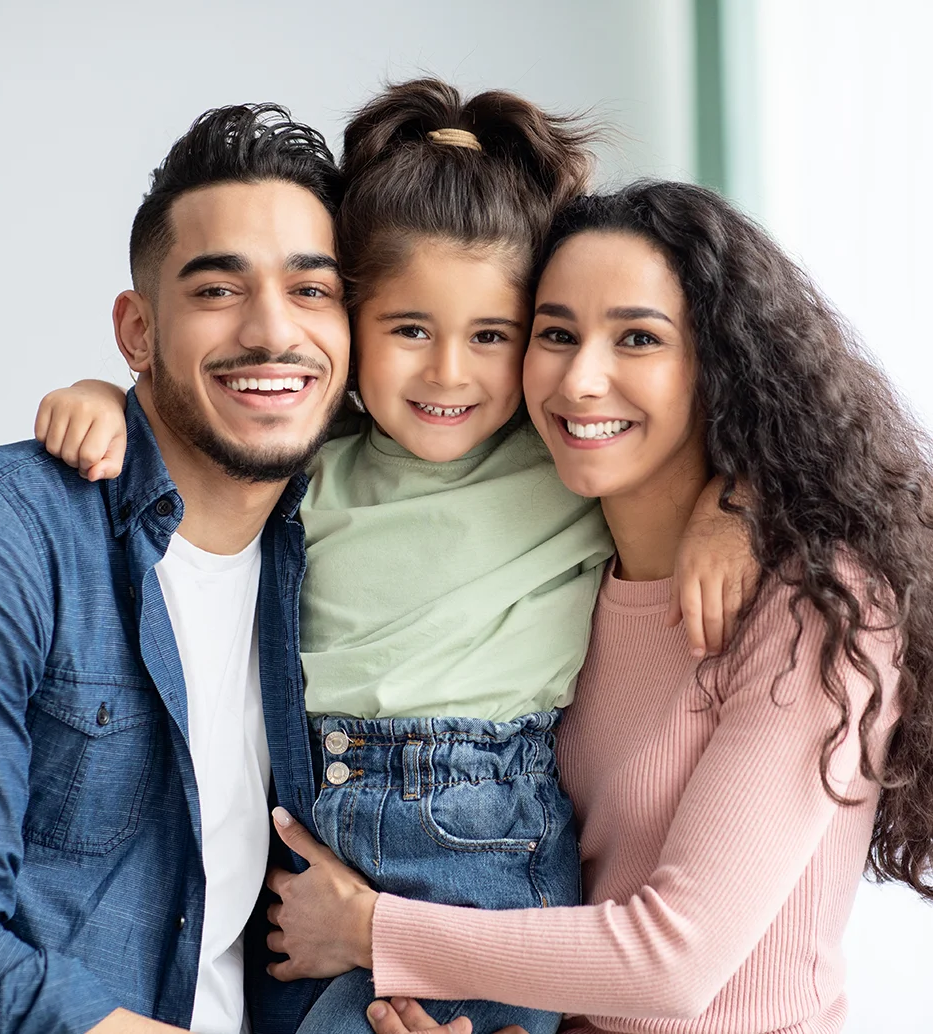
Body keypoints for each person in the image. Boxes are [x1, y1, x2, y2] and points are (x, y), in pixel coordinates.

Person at [35, 85, 754, 1034]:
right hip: (311, 836)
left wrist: (738, 505)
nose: (449, 372)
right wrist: (102, 394)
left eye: (492, 337)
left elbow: (714, 446)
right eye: (410, 330)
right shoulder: (312, 458)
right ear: (352, 324)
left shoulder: (555, 461)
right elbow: (206, 415)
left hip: (481, 850)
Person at [265, 181, 933, 1034]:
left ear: (724, 366)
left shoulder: (818, 611)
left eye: (638, 339)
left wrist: (369, 930)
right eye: (555, 334)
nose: (582, 379)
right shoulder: (565, 565)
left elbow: (674, 964)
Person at [0, 103, 351, 1034]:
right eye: (219, 290)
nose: (274, 332)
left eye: (313, 291)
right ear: (137, 331)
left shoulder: (339, 552)